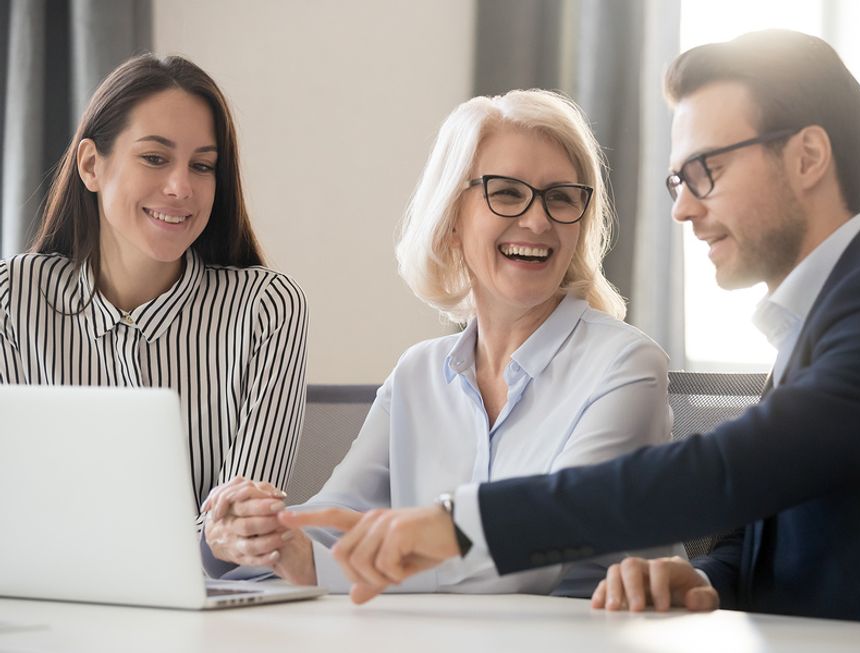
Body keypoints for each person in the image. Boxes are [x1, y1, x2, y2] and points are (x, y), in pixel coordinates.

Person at [280, 29, 860, 630]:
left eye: (705, 170)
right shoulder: (820, 319)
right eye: (679, 181)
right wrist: (706, 582)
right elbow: (758, 529)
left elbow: (730, 470)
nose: (684, 211)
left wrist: (458, 523)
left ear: (806, 158)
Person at [201, 89, 679, 596]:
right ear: (451, 218)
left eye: (561, 196)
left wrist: (319, 568)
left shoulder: (626, 366)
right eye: (508, 192)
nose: (538, 221)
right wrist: (250, 536)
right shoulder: (417, 373)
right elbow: (337, 519)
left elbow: (537, 549)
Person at [0, 54, 309, 520]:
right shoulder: (11, 298)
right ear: (91, 165)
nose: (181, 187)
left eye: (203, 166)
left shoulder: (266, 309)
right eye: (154, 158)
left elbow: (237, 529)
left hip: (203, 589)